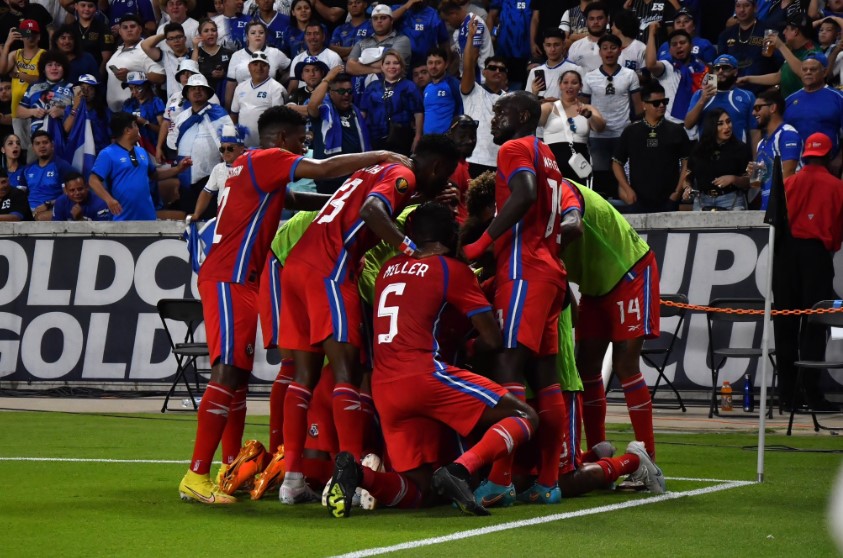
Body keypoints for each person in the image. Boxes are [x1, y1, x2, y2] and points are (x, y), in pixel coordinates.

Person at [177, 105, 412, 505]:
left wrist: (345, 199)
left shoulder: (251, 169)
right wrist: (379, 157)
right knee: (228, 372)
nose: (305, 145)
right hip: (230, 277)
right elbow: (321, 170)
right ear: (284, 139)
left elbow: (303, 198)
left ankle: (228, 465)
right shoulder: (268, 159)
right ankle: (195, 475)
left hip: (239, 278)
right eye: (301, 139)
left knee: (238, 375)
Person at [324, 201, 540, 518]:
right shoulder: (451, 270)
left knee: (420, 492)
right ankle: (461, 470)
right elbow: (492, 339)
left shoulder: (387, 269)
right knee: (525, 416)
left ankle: (360, 475)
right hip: (426, 376)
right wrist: (468, 349)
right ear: (453, 235)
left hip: (385, 388)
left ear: (412, 233)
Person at [278, 134, 458, 506]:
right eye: (446, 176)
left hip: (297, 266)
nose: (445, 184)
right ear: (438, 168)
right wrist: (410, 251)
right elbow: (372, 211)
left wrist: (421, 200)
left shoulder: (378, 170)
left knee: (303, 378)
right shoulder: (403, 175)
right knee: (348, 371)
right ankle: (351, 476)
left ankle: (292, 479)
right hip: (331, 269)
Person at [461, 91, 573, 506]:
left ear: (523, 115)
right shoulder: (548, 154)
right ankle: (547, 482)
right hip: (550, 271)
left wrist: (481, 244)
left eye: (501, 111)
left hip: (523, 270)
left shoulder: (514, 148)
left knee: (507, 365)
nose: (494, 118)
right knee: (545, 379)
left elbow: (524, 194)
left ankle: (501, 479)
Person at [559, 177, 662, 471]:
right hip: (594, 284)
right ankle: (598, 452)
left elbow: (572, 226)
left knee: (625, 366)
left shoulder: (562, 189)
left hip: (629, 270)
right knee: (586, 367)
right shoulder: (526, 206)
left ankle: (648, 461)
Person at [774, 132, 843, 413]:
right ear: (827, 156)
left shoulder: (788, 182)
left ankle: (788, 397)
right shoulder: (837, 187)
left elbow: (774, 222)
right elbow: (838, 230)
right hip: (816, 255)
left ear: (805, 155)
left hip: (785, 256)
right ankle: (813, 395)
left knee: (785, 325)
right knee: (814, 326)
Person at [89, 112, 191, 221]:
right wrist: (109, 200)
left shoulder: (141, 151)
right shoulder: (107, 154)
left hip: (148, 216)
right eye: (135, 125)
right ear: (127, 131)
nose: (138, 129)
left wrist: (178, 169)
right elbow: (93, 180)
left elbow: (154, 175)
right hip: (122, 218)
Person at [613, 82, 691, 213]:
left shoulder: (676, 130)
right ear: (644, 105)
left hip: (669, 200)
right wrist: (627, 189)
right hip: (638, 199)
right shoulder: (631, 131)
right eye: (656, 103)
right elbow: (616, 162)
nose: (661, 105)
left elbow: (686, 163)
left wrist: (677, 192)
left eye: (664, 101)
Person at [581, 33, 642, 199]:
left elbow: (638, 107)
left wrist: (635, 131)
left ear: (620, 51)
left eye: (613, 48)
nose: (609, 52)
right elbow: (582, 106)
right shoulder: (589, 77)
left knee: (622, 177)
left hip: (623, 134)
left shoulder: (630, 75)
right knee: (600, 178)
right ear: (599, 52)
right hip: (597, 136)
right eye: (605, 48)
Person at [168, 74, 234, 218]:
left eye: (201, 88)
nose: (197, 91)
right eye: (193, 89)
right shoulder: (181, 117)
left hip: (210, 175)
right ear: (187, 93)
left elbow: (231, 142)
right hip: (186, 177)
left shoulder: (219, 114)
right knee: (189, 217)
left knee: (210, 217)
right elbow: (175, 145)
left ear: (208, 93)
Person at [306, 68, 370, 194]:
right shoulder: (324, 112)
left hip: (353, 178)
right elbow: (312, 105)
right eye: (341, 91)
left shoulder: (355, 112)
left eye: (349, 91)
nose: (346, 95)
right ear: (331, 92)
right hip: (328, 179)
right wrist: (328, 78)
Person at [540, 69, 605, 186]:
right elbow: (533, 121)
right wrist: (536, 98)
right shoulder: (549, 107)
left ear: (580, 86)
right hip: (552, 163)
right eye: (565, 82)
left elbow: (600, 127)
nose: (569, 86)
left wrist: (589, 116)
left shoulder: (588, 108)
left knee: (579, 199)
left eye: (574, 83)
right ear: (560, 85)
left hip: (580, 163)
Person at [460, 17, 507, 178]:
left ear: (506, 77)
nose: (497, 71)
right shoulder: (473, 91)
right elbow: (467, 65)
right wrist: (470, 38)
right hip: (473, 159)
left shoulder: (510, 100)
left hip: (499, 162)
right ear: (484, 72)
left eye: (502, 70)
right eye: (492, 68)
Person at [683, 108, 752, 211]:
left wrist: (733, 179)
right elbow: (688, 175)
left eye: (728, 122)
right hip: (702, 201)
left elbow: (749, 181)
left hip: (731, 200)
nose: (727, 127)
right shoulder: (698, 149)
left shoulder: (741, 149)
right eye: (720, 123)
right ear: (711, 127)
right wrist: (687, 188)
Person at [739, 13, 822, 98]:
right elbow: (778, 77)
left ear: (795, 31)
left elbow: (804, 73)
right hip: (787, 102)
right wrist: (748, 79)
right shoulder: (794, 50)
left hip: (804, 103)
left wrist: (781, 46)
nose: (783, 32)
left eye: (787, 29)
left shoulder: (813, 52)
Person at [684, 54, 758, 146]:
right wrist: (703, 100)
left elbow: (754, 130)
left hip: (736, 155)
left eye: (725, 68)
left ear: (735, 72)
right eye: (717, 68)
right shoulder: (699, 94)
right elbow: (688, 124)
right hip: (706, 155)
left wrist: (756, 158)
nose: (720, 71)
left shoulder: (747, 96)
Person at [359, 49, 422, 155]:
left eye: (396, 63)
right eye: (387, 63)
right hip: (374, 138)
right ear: (382, 67)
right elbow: (362, 114)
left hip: (401, 138)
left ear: (401, 66)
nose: (391, 66)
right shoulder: (372, 87)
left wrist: (418, 136)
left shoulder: (409, 86)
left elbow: (418, 113)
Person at [645, 25, 708, 126]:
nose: (678, 46)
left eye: (682, 43)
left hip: (696, 126)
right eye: (674, 44)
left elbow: (713, 92)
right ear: (669, 50)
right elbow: (650, 64)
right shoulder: (666, 66)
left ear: (691, 46)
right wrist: (651, 34)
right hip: (671, 126)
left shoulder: (703, 69)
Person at [784, 53, 843, 158]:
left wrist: (840, 159)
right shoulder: (789, 100)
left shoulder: (838, 98)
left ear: (824, 72)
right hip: (794, 162)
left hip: (827, 161)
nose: (808, 72)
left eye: (813, 69)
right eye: (804, 69)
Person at [750, 88, 801, 209]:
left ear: (773, 108)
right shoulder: (761, 143)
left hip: (784, 209)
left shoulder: (787, 134)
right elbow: (756, 184)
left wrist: (780, 210)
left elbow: (789, 175)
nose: (753, 113)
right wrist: (753, 173)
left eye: (758, 108)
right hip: (767, 208)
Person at [718, 0, 781, 95]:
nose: (742, 10)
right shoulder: (726, 34)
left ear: (755, 8)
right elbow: (717, 65)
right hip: (732, 92)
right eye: (738, 6)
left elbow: (781, 65)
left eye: (746, 6)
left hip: (763, 93)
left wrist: (776, 87)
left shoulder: (769, 32)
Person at [106, 14, 167, 113]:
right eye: (125, 27)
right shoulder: (118, 49)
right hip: (114, 111)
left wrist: (131, 75)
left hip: (137, 110)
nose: (129, 30)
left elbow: (161, 77)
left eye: (133, 26)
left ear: (140, 29)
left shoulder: (146, 49)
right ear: (120, 32)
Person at [226, 20, 291, 106]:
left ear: (266, 36)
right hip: (243, 101)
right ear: (247, 36)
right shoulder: (237, 56)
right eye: (253, 33)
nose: (257, 35)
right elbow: (231, 84)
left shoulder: (275, 53)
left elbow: (291, 69)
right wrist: (227, 108)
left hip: (268, 101)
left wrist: (280, 82)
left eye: (261, 32)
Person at [345, 4, 412, 88]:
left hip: (393, 90)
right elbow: (349, 67)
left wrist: (361, 63)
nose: (379, 21)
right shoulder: (361, 43)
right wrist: (376, 70)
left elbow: (391, 63)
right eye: (375, 18)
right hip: (363, 92)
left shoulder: (402, 40)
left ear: (391, 21)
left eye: (383, 18)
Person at [189, 124, 245, 221]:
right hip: (223, 219)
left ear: (241, 149)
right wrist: (196, 214)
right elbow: (206, 193)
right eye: (222, 149)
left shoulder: (250, 166)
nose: (226, 152)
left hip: (245, 219)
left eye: (230, 148)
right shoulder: (218, 169)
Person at [231, 51, 288, 147]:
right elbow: (234, 114)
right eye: (255, 64)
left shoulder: (277, 88)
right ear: (249, 67)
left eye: (263, 65)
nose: (259, 68)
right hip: (243, 145)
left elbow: (279, 121)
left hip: (266, 145)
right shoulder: (240, 87)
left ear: (269, 68)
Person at [16, 51, 73, 142]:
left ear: (64, 69)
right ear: (43, 69)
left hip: (63, 141)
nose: (54, 68)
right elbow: (18, 111)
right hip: (36, 142)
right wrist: (32, 111)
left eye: (58, 65)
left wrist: (63, 112)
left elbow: (80, 113)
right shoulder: (33, 87)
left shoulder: (72, 88)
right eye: (49, 65)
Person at [24, 130, 76, 218]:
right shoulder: (27, 169)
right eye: (37, 143)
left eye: (45, 142)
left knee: (41, 218)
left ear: (52, 145)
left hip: (51, 210)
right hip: (29, 211)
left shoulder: (62, 166)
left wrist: (49, 204)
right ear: (33, 148)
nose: (42, 146)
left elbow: (69, 196)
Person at [438, 0, 492, 79]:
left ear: (453, 14)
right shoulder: (458, 32)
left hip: (482, 77)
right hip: (469, 77)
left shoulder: (474, 22)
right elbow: (460, 58)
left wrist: (466, 80)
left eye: (447, 20)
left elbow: (474, 55)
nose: (448, 24)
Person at [141, 22, 196, 99]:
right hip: (174, 102)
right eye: (171, 38)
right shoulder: (166, 56)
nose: (176, 41)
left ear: (185, 38)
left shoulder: (195, 53)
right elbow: (145, 45)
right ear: (167, 42)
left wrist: (169, 35)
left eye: (179, 37)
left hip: (194, 97)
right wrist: (164, 34)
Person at [525, 28, 582, 102]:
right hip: (541, 112)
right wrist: (534, 94)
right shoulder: (534, 71)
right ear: (544, 46)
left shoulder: (576, 69)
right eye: (548, 45)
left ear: (563, 45)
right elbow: (527, 103)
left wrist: (559, 103)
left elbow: (582, 100)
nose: (552, 49)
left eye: (556, 45)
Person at [487, 0, 533, 89]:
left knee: (520, 87)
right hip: (504, 48)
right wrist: (491, 37)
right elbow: (492, 16)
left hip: (525, 50)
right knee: (500, 84)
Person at [390, 0, 449, 68]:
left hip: (426, 65)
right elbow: (386, 22)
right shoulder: (397, 9)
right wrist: (406, 7)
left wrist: (446, 65)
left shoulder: (434, 14)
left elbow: (444, 42)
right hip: (399, 64)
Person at [287, 21, 342, 91]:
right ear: (305, 37)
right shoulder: (297, 59)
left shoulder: (334, 57)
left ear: (323, 37)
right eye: (309, 34)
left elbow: (337, 86)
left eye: (316, 34)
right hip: (302, 98)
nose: (312, 37)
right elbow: (293, 86)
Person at [121, 71, 165, 154]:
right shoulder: (127, 104)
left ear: (146, 85)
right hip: (133, 150)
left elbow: (163, 129)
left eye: (138, 87)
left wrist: (145, 122)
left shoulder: (156, 102)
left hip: (153, 149)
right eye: (131, 88)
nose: (134, 91)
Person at [422, 46, 462, 135]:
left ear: (446, 64)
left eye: (438, 63)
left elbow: (462, 108)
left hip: (446, 139)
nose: (433, 66)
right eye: (430, 63)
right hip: (428, 140)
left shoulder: (453, 84)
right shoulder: (427, 88)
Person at [192, 18, 234, 101]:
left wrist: (224, 74)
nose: (210, 33)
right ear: (200, 35)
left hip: (224, 93)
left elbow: (234, 75)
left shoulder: (229, 53)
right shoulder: (196, 53)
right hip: (203, 95)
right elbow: (192, 70)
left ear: (217, 34)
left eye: (213, 30)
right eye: (206, 31)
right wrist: (195, 48)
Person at [70, 0, 116, 74]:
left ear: (96, 8)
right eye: (83, 5)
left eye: (90, 6)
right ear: (76, 6)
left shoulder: (103, 29)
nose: (86, 9)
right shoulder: (70, 28)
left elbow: (107, 58)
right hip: (72, 73)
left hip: (95, 74)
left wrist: (98, 77)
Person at [568, 2, 610, 74]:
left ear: (607, 20)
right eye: (591, 19)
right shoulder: (575, 46)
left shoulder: (615, 45)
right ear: (586, 21)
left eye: (600, 18)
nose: (596, 22)